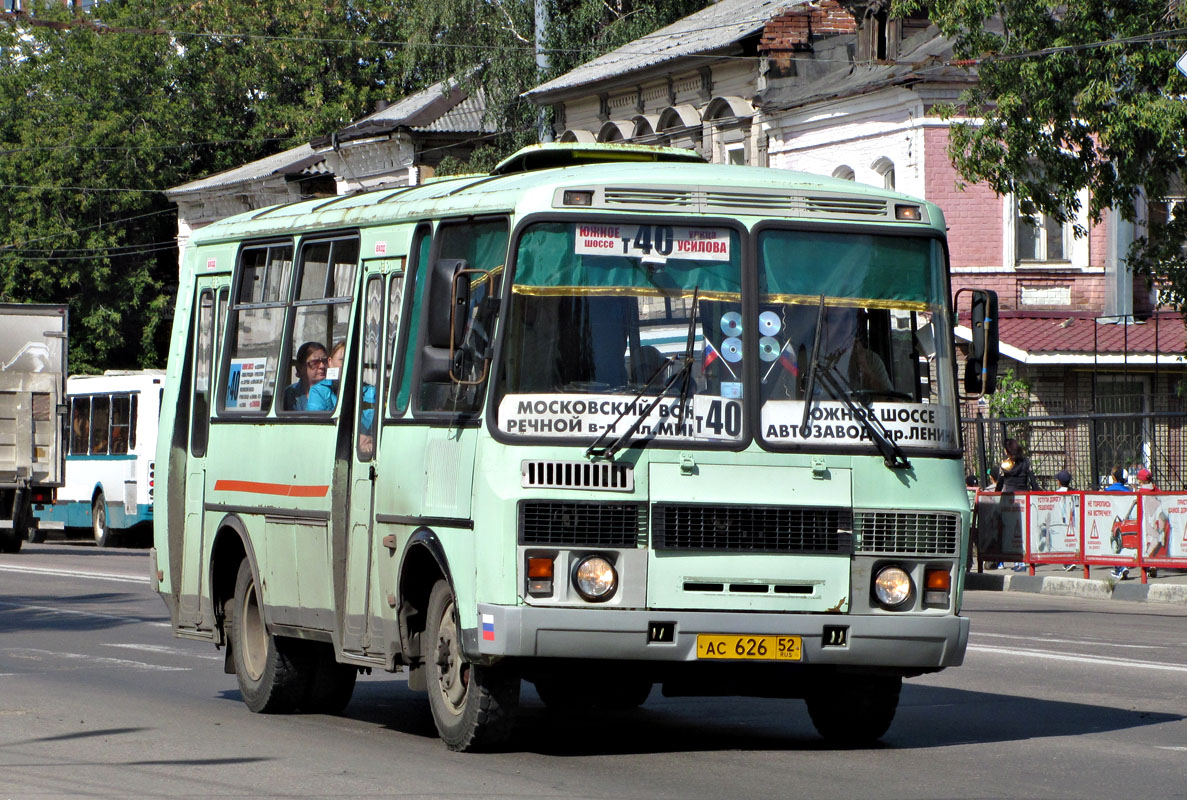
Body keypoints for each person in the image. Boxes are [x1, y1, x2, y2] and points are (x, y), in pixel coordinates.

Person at [283, 341, 328, 411]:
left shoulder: (334, 391)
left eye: (325, 361)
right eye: (315, 362)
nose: (322, 366)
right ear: (301, 367)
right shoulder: (289, 394)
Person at [1104, 466, 1131, 579]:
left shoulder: (1107, 491)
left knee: (1114, 545)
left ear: (1113, 477)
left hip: (1112, 521)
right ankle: (1122, 566)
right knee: (1123, 545)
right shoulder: (1129, 492)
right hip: (1124, 521)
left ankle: (1120, 568)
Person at [307, 341, 346, 413]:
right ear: (330, 362)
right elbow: (317, 419)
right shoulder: (319, 391)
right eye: (342, 360)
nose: (322, 366)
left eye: (353, 360)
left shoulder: (369, 391)